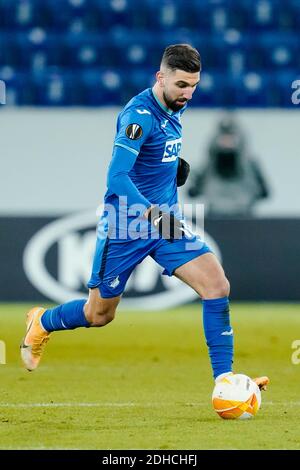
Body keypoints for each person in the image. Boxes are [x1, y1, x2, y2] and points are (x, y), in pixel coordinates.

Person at [20, 44, 269, 393]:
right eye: (181, 85)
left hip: (165, 223)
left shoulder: (173, 107)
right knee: (100, 315)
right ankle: (43, 320)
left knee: (216, 285)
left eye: (194, 85)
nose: (188, 93)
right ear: (160, 77)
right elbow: (117, 178)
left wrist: (173, 170)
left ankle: (224, 381)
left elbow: (152, 160)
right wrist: (152, 212)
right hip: (126, 225)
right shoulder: (140, 115)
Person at [188, 113, 270, 218]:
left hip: (244, 216)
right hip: (215, 217)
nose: (227, 142)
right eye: (223, 137)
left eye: (231, 137)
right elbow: (191, 192)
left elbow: (265, 192)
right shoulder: (207, 167)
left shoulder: (251, 167)